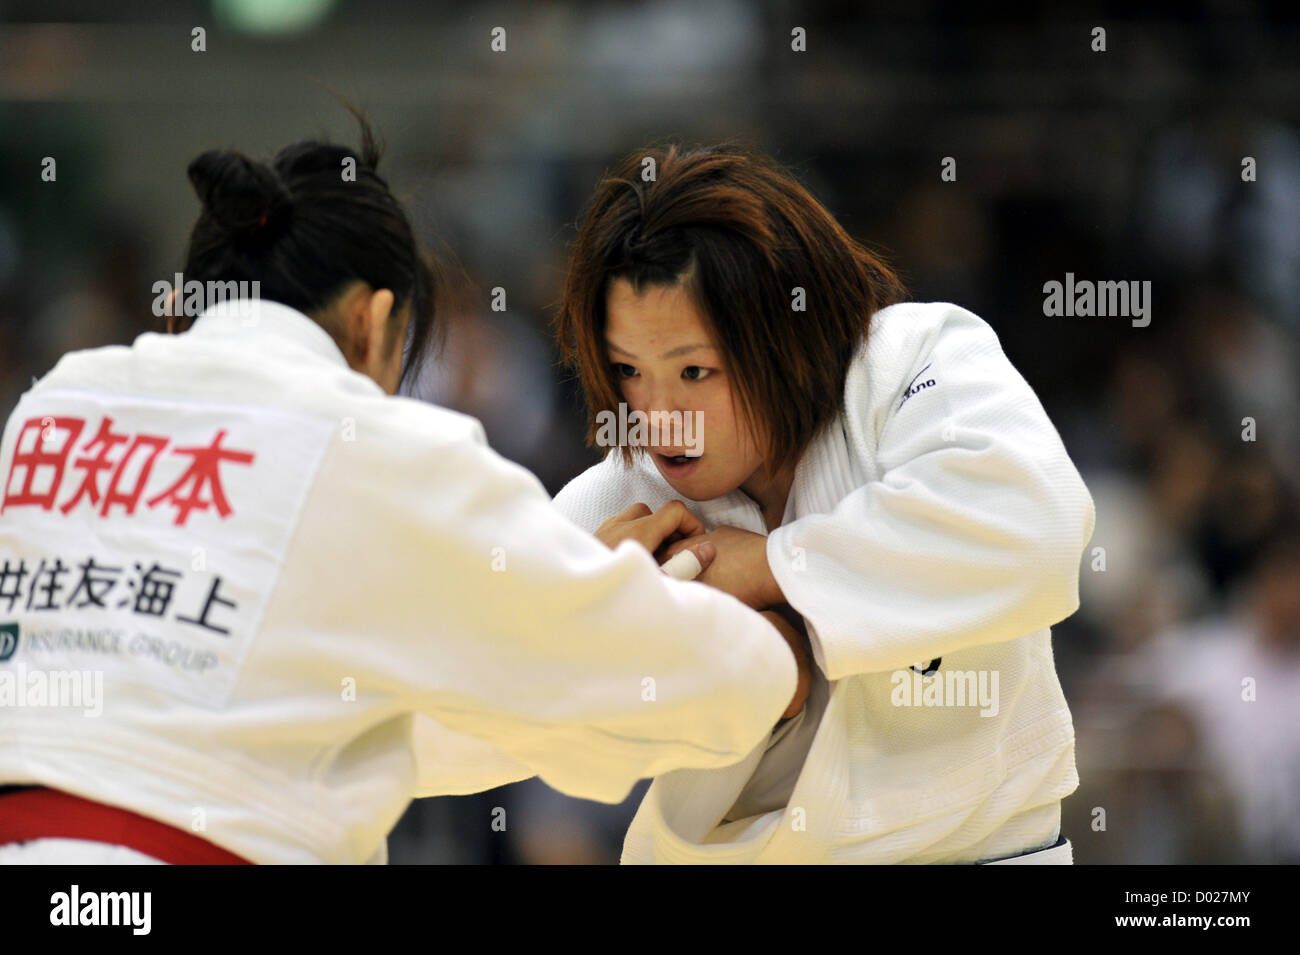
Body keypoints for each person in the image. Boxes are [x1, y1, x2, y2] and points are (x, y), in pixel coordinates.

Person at [0, 124, 807, 865]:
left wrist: (576, 595)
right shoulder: (371, 446)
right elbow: (609, 670)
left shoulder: (49, 408)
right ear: (374, 321)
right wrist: (772, 654)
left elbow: (414, 723)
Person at [551, 143, 1096, 864]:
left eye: (694, 370)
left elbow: (1041, 526)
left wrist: (774, 566)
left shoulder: (909, 361)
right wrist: (590, 621)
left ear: (784, 334)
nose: (659, 415)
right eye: (628, 371)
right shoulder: (619, 510)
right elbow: (545, 740)